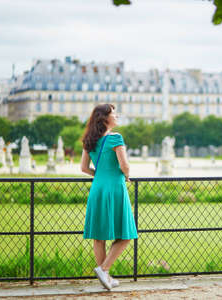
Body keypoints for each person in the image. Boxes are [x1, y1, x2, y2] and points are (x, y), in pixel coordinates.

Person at [80, 103, 138, 290]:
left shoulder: (89, 140)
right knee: (126, 234)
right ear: (105, 118)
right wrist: (127, 175)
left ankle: (106, 276)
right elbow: (125, 165)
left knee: (99, 236)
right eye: (114, 113)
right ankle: (104, 269)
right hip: (115, 188)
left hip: (98, 189)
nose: (117, 115)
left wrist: (100, 175)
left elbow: (83, 168)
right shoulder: (115, 138)